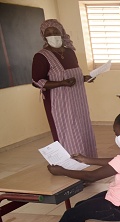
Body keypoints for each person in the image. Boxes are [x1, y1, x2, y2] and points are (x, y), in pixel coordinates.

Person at [32, 19, 97, 158]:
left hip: (78, 100)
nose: (52, 34)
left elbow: (74, 74)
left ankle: (87, 157)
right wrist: (61, 83)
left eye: (55, 31)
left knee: (82, 126)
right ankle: (70, 159)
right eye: (48, 33)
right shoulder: (41, 56)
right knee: (67, 130)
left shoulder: (69, 52)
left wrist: (85, 78)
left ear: (61, 32)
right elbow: (37, 81)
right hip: (59, 103)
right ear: (43, 35)